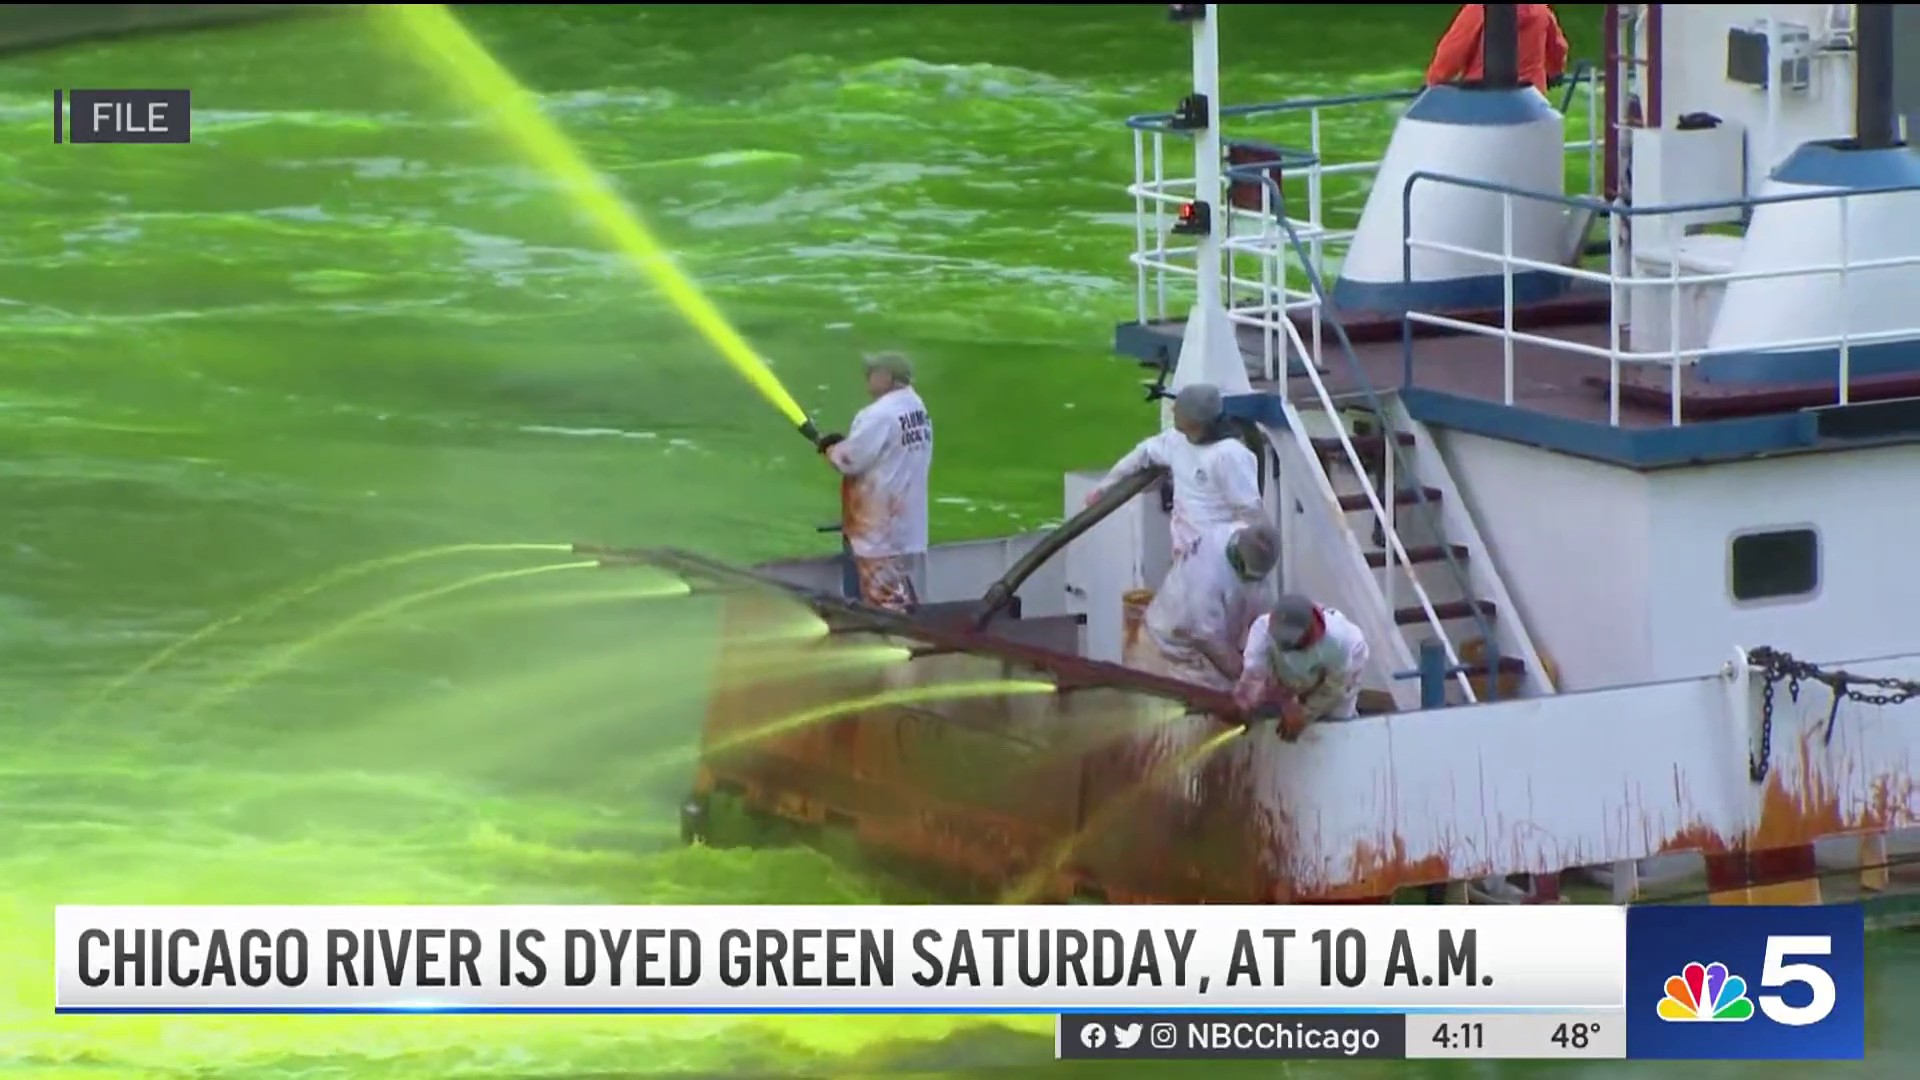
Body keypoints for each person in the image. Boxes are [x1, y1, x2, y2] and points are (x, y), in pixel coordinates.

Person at [1086, 383, 1263, 565]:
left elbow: (1249, 511)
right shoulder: (1175, 441)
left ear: (1196, 418)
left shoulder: (1231, 455)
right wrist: (1105, 487)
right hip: (1185, 557)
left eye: (1179, 408)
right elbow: (1142, 454)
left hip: (1220, 561)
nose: (1172, 409)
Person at [818, 352, 932, 613]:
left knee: (881, 607)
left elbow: (849, 460)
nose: (866, 377)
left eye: (871, 372)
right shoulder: (917, 408)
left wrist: (831, 449)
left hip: (876, 533)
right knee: (902, 596)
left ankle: (890, 647)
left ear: (886, 377)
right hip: (908, 530)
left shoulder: (878, 414)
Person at [1128, 522, 1281, 691]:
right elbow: (1213, 646)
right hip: (1170, 650)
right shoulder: (1207, 580)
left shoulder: (1238, 532)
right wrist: (1250, 677)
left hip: (1207, 640)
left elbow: (1261, 611)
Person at [1234, 594, 1371, 741]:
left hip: (1344, 671)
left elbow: (1333, 689)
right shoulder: (1262, 629)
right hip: (1299, 676)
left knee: (1335, 721)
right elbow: (1254, 672)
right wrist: (1245, 703)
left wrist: (1303, 714)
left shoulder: (1338, 644)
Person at [1425, 4, 1569, 96]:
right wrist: (1554, 72)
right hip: (1531, 99)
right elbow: (1558, 48)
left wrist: (1433, 81)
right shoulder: (1541, 10)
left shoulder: (1479, 9)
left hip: (1483, 97)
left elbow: (1452, 51)